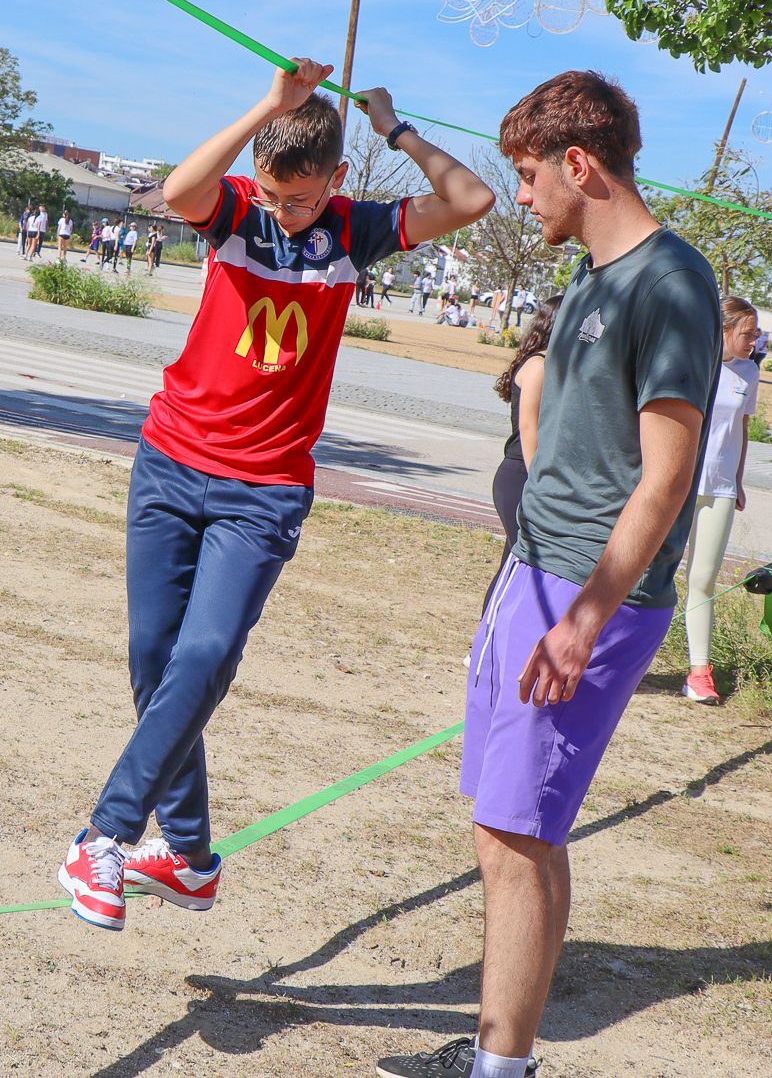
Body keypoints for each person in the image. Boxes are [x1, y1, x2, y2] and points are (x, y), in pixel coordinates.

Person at [55, 58, 492, 932]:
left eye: (300, 199)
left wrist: (393, 130)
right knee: (154, 662)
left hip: (263, 488)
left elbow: (473, 200)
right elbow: (179, 187)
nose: (284, 212)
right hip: (172, 461)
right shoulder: (236, 211)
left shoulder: (357, 230)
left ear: (333, 180)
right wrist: (268, 105)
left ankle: (106, 832)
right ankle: (186, 855)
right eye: (274, 193)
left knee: (206, 655)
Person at [375, 70, 719, 1078]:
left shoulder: (669, 283)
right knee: (513, 829)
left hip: (585, 599)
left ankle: (499, 1070)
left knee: (513, 837)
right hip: (530, 579)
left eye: (527, 176)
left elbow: (664, 482)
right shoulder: (589, 278)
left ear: (579, 165)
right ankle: (502, 1055)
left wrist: (580, 621)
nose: (519, 196)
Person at [681, 297, 762, 704]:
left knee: (703, 580)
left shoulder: (750, 371)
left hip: (721, 489)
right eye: (748, 333)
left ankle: (699, 673)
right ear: (725, 330)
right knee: (644, 573)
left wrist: (739, 479)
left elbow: (741, 429)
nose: (754, 340)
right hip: (678, 483)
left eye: (756, 333)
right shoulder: (693, 361)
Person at [482, 296, 561, 611]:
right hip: (521, 474)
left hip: (533, 474)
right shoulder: (539, 365)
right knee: (518, 559)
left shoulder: (553, 365)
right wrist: (539, 482)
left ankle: (497, 641)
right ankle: (484, 642)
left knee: (517, 559)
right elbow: (529, 429)